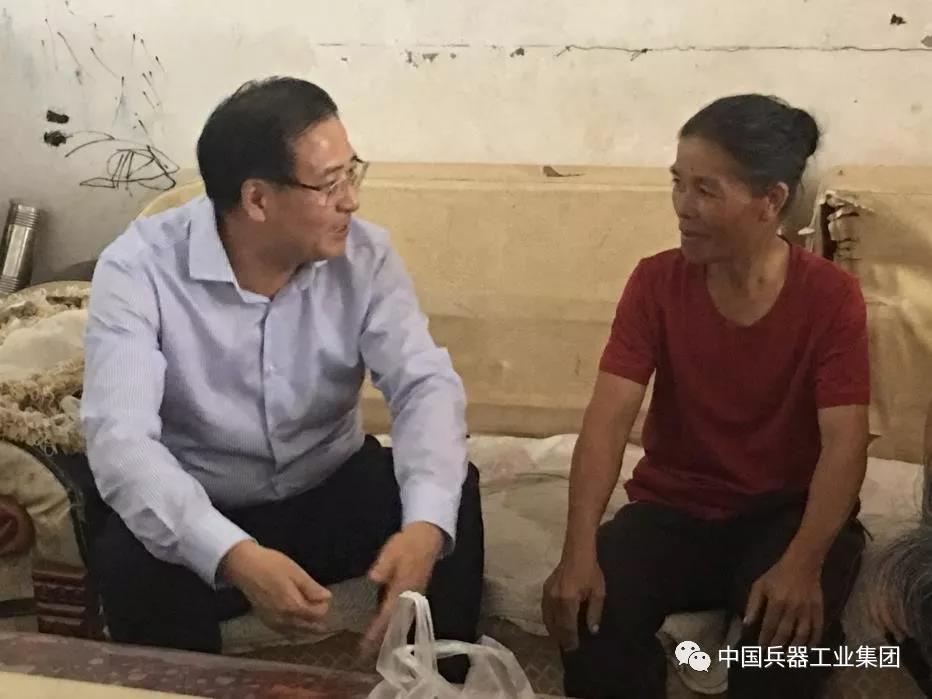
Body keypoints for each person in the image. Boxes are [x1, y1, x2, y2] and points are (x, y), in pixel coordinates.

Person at [81, 77, 484, 681]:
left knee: (447, 499)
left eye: (353, 174)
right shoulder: (138, 269)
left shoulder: (366, 256)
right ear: (257, 199)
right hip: (205, 495)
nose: (352, 201)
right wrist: (232, 554)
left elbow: (423, 384)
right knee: (128, 556)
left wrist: (424, 526)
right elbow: (120, 440)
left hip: (327, 481)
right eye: (330, 184)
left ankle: (438, 686)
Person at [542, 94, 870, 698]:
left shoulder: (830, 297)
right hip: (677, 509)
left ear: (770, 200)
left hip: (785, 512)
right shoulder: (655, 282)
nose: (683, 208)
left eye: (706, 190)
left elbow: (845, 442)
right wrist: (578, 550)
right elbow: (608, 419)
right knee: (588, 617)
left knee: (782, 653)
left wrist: (803, 563)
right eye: (678, 183)